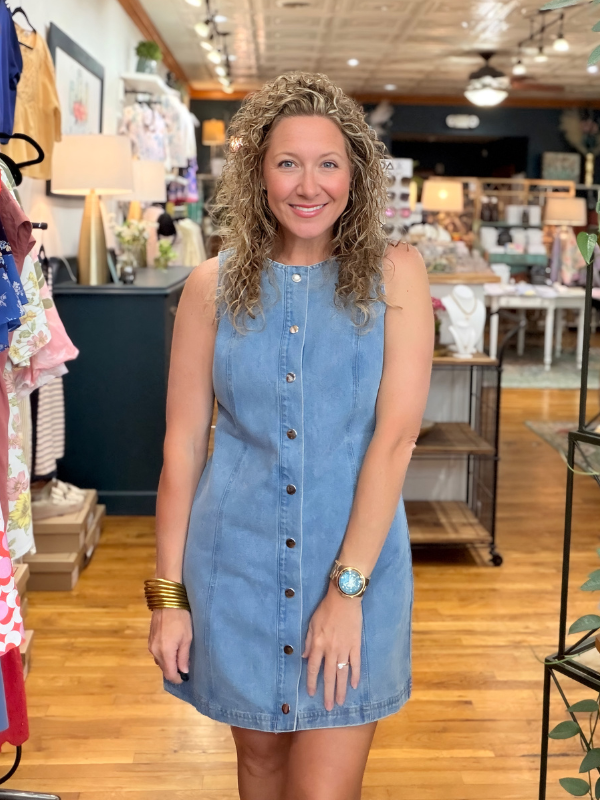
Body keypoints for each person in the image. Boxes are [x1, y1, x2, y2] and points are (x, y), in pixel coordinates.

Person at [147, 72, 433, 800]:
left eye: (328, 163)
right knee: (260, 771)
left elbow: (395, 439)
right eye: (287, 163)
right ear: (258, 174)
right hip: (234, 570)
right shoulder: (210, 287)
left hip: (355, 569)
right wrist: (168, 598)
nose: (309, 185)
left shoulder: (397, 275)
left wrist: (347, 591)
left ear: (355, 175)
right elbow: (183, 446)